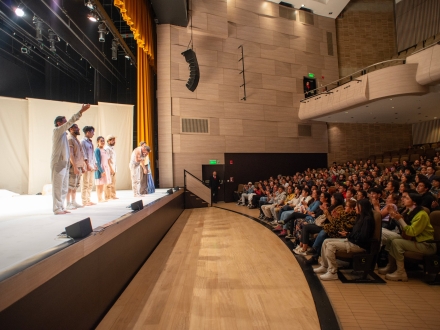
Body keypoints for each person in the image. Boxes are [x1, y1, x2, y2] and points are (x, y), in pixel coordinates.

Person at [379, 191, 436, 281]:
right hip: (415, 241)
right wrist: (394, 216)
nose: (403, 199)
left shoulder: (421, 215)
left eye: (407, 198)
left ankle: (401, 273)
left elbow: (411, 232)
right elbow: (404, 229)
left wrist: (400, 219)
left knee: (397, 242)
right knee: (391, 239)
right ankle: (391, 266)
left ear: (414, 202)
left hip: (426, 245)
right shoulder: (410, 212)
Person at [314, 198, 375, 281]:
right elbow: (355, 232)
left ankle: (333, 272)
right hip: (352, 240)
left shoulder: (367, 219)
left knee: (330, 245)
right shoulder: (360, 217)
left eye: (357, 207)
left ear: (362, 207)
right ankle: (325, 266)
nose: (356, 208)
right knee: (326, 241)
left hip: (358, 245)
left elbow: (363, 237)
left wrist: (349, 235)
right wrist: (348, 234)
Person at [51, 104, 90, 215]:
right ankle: (56, 208)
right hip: (58, 163)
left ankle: (61, 206)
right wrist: (81, 111)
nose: (67, 123)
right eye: (64, 121)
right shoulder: (57, 131)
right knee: (58, 187)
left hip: (65, 164)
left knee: (64, 187)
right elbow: (70, 123)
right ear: (59, 123)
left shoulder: (64, 134)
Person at [66, 124, 86, 210]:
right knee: (70, 185)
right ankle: (68, 203)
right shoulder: (70, 139)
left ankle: (73, 201)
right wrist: (74, 166)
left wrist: (82, 166)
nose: (78, 129)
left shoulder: (76, 139)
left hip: (79, 165)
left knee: (75, 185)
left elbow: (80, 154)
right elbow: (71, 154)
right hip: (73, 166)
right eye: (76, 128)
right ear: (71, 129)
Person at [81, 126, 97, 206]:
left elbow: (93, 154)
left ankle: (88, 199)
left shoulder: (90, 142)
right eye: (92, 132)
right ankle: (84, 200)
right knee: (85, 183)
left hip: (91, 165)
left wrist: (95, 164)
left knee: (91, 183)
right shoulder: (83, 142)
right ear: (87, 132)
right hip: (86, 165)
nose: (93, 134)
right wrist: (87, 164)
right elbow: (84, 154)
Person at [94, 136, 112, 202]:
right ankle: (99, 198)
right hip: (100, 169)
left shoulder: (104, 150)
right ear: (97, 142)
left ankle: (101, 197)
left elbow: (106, 160)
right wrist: (101, 171)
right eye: (101, 141)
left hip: (105, 168)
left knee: (103, 184)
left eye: (103, 141)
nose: (102, 142)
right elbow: (97, 161)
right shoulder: (97, 150)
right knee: (99, 184)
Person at [104, 135, 118, 200]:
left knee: (113, 182)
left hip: (114, 167)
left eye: (114, 140)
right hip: (110, 168)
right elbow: (107, 159)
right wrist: (111, 169)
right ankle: (107, 196)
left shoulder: (112, 148)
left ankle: (113, 195)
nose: (114, 141)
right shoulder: (107, 148)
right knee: (108, 183)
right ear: (108, 141)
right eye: (112, 140)